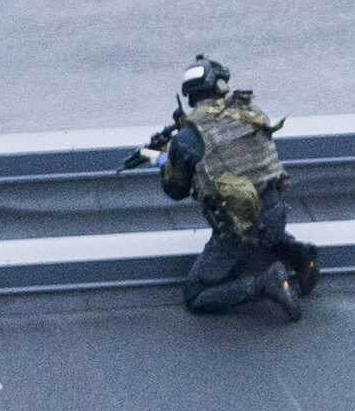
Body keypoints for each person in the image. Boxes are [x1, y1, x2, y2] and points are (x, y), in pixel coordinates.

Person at [132, 55, 319, 321]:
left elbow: (175, 190)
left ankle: (263, 284)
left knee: (196, 295)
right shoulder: (247, 113)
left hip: (238, 232)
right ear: (218, 85)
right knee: (261, 226)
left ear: (189, 95)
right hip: (277, 215)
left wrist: (163, 157)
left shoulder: (188, 137)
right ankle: (299, 254)